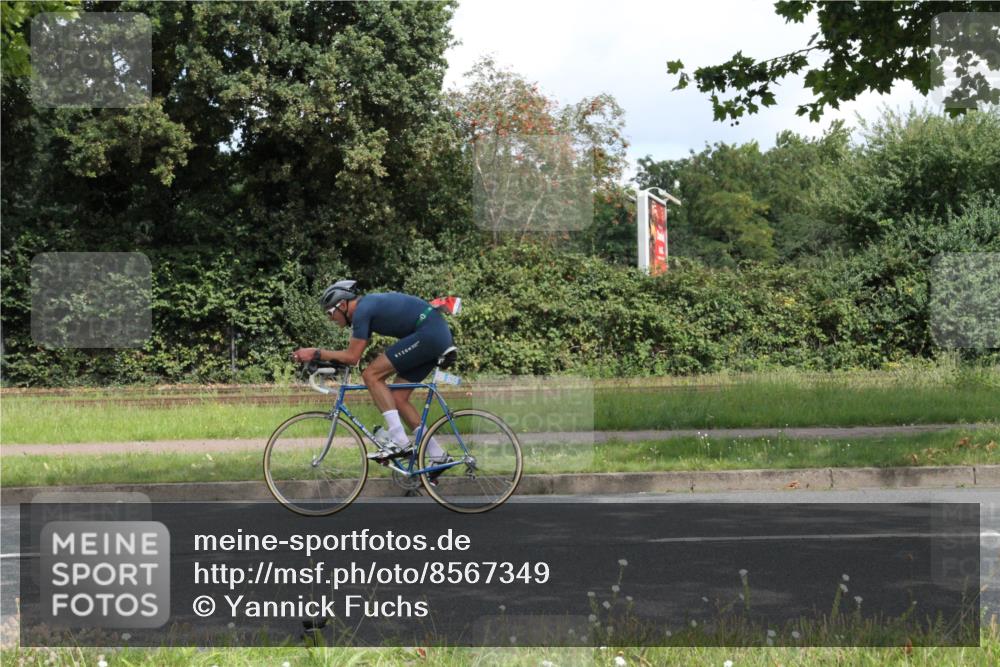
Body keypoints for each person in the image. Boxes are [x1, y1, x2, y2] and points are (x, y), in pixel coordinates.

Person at [292, 280, 453, 468]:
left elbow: (352, 357)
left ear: (342, 305)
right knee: (398, 398)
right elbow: (352, 355)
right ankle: (438, 456)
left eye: (330, 312)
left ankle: (399, 440)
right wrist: (325, 358)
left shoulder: (361, 311)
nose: (331, 318)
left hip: (429, 334)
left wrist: (315, 352)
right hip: (434, 334)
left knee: (371, 375)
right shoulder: (366, 308)